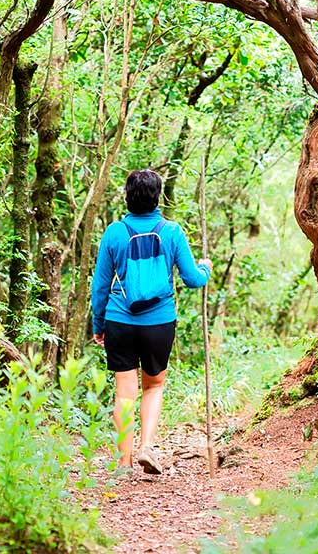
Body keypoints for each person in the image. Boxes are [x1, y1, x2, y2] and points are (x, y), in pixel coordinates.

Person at [91, 169, 212, 474]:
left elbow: (100, 286)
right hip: (159, 322)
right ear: (158, 197)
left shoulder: (114, 232)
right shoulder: (171, 231)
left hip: (119, 319)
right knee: (154, 385)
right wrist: (205, 267)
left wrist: (98, 325)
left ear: (127, 196)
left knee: (124, 391)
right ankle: (147, 446)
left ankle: (123, 460)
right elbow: (193, 279)